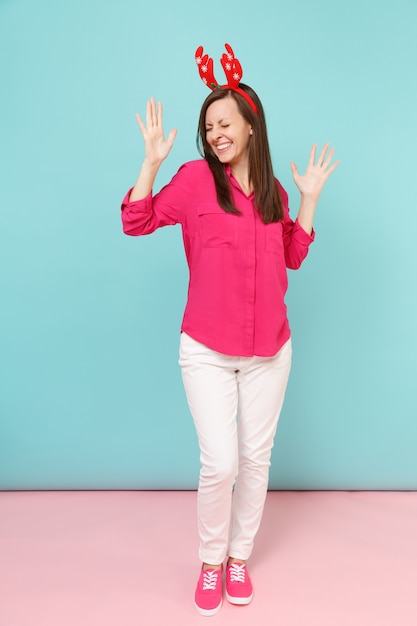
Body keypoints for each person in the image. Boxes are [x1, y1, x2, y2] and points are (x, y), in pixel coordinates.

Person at [121, 43, 339, 616]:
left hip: (271, 350)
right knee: (221, 462)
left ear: (250, 126)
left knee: (257, 460)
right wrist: (150, 162)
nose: (215, 134)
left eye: (224, 123)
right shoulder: (194, 181)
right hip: (207, 349)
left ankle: (239, 557)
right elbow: (136, 221)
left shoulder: (274, 190)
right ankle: (211, 560)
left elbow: (293, 256)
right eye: (208, 126)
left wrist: (309, 201)